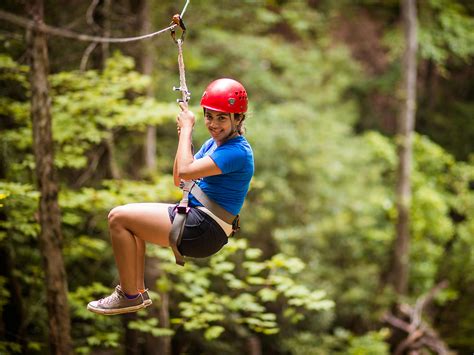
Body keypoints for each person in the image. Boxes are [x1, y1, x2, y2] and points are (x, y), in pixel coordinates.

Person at [87, 78, 254, 315]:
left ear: (238, 118)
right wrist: (183, 137)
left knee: (118, 217)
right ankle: (136, 292)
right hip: (197, 221)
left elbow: (185, 170)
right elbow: (180, 179)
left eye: (222, 118)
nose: (213, 124)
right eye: (209, 116)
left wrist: (187, 129)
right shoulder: (213, 144)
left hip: (203, 227)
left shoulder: (237, 152)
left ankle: (128, 295)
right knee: (130, 224)